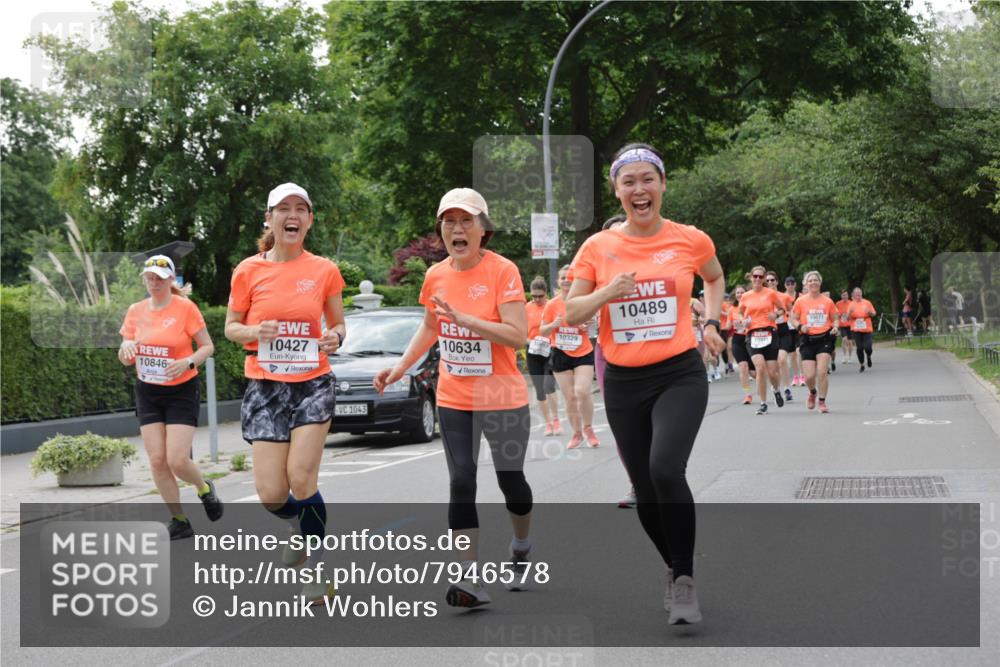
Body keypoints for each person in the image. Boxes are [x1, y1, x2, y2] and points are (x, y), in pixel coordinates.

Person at [565, 143, 726, 625]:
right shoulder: (598, 247)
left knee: (664, 469)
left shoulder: (690, 239)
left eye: (647, 179)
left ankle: (684, 579)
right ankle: (674, 567)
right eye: (628, 182)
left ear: (663, 184)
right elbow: (570, 311)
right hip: (624, 382)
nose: (639, 189)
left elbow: (714, 278)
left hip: (679, 372)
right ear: (616, 192)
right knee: (644, 487)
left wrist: (712, 323)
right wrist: (608, 291)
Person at [374, 188, 533, 608]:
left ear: (484, 229)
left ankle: (521, 543)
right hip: (455, 394)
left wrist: (467, 320)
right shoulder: (436, 276)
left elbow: (519, 335)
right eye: (448, 221)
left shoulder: (503, 271)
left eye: (466, 221)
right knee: (462, 480)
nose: (456, 229)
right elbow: (429, 328)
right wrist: (400, 367)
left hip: (502, 394)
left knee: (510, 481)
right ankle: (469, 579)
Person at [224, 182, 346, 605]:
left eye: (301, 209)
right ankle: (299, 526)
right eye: (283, 209)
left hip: (313, 382)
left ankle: (317, 569)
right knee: (271, 493)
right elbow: (230, 327)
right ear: (269, 218)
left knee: (301, 477)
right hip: (265, 386)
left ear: (309, 220)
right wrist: (256, 331)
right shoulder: (247, 270)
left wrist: (334, 336)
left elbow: (338, 325)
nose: (292, 215)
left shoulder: (324, 270)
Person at [119, 255, 222, 540]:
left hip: (181, 390)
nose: (154, 283)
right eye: (149, 278)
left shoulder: (185, 308)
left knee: (177, 460)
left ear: (170, 281)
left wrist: (187, 362)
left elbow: (207, 347)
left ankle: (204, 489)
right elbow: (125, 356)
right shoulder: (135, 311)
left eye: (160, 278)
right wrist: (126, 348)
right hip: (148, 392)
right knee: (157, 461)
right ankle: (179, 520)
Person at [541, 265, 598, 449]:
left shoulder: (583, 301)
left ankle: (588, 428)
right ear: (558, 281)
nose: (566, 280)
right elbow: (542, 331)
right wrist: (554, 325)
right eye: (563, 277)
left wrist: (587, 324)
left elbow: (594, 326)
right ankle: (576, 433)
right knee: (570, 398)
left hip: (583, 351)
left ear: (575, 281)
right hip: (560, 352)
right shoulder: (552, 305)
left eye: (570, 277)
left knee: (582, 391)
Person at [739, 267, 786, 415]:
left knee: (772, 372)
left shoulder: (770, 293)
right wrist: (743, 321)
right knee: (760, 368)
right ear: (751, 277)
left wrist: (776, 314)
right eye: (755, 276)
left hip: (769, 333)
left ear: (764, 278)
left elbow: (782, 309)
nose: (758, 279)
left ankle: (776, 390)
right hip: (752, 334)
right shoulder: (746, 296)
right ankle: (763, 403)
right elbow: (740, 313)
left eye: (761, 276)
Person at [791, 271, 838, 413]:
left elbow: (835, 318)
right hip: (807, 339)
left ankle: (822, 402)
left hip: (824, 338)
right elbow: (793, 319)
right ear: (806, 284)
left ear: (820, 283)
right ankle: (812, 392)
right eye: (810, 280)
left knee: (822, 372)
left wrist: (835, 326)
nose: (813, 282)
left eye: (815, 280)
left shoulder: (827, 301)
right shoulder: (800, 301)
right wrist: (800, 327)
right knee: (809, 376)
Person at [525, 276, 561, 435]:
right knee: (539, 389)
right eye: (534, 296)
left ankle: (556, 420)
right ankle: (548, 424)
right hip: (533, 351)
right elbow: (522, 331)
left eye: (540, 296)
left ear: (546, 293)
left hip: (550, 349)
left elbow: (558, 328)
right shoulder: (527, 308)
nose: (537, 299)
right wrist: (529, 342)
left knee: (548, 384)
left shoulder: (552, 306)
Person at [728, 285, 753, 404]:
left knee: (755, 372)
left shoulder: (751, 307)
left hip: (750, 339)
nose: (739, 294)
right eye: (737, 293)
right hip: (737, 340)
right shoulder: (732, 309)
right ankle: (747, 395)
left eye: (742, 292)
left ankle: (772, 387)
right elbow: (728, 326)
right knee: (743, 367)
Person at [845, 287, 877, 371]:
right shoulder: (851, 304)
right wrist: (849, 313)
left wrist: (869, 312)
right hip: (856, 329)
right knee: (859, 348)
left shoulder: (867, 302)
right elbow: (847, 319)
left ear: (862, 293)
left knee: (868, 347)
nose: (858, 294)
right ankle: (862, 364)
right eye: (856, 293)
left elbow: (874, 314)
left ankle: (868, 356)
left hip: (867, 328)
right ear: (853, 295)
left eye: (859, 293)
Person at [784, 276, 805, 387]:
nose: (790, 285)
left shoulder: (801, 297)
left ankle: (802, 375)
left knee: (799, 352)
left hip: (798, 326)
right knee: (791, 355)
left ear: (795, 284)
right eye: (788, 283)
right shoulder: (782, 297)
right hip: (787, 327)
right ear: (785, 285)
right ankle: (795, 376)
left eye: (792, 283)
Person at [835, 290, 854, 364]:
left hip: (850, 325)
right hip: (842, 325)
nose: (845, 296)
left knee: (850, 341)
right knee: (844, 340)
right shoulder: (838, 304)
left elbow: (854, 312)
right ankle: (844, 356)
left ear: (848, 295)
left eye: (846, 295)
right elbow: (835, 313)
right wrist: (840, 315)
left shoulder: (851, 303)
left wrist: (849, 315)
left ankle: (850, 357)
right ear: (841, 296)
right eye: (843, 295)